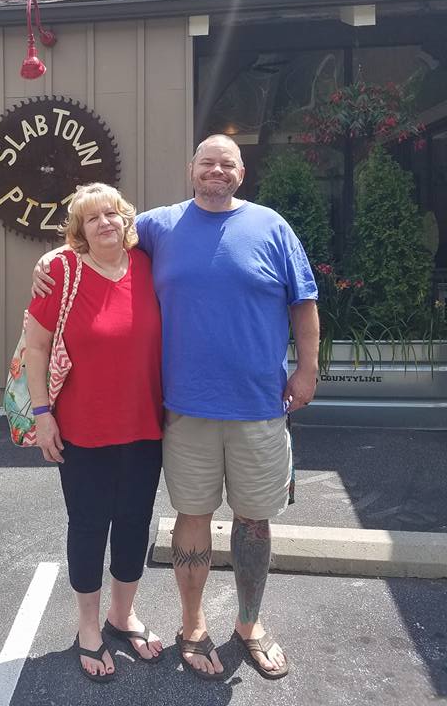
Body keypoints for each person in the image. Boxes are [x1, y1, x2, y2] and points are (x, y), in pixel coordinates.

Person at [33, 135, 319, 681]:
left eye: (227, 163)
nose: (216, 171)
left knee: (254, 521)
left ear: (241, 172)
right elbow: (99, 233)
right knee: (192, 517)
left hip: (260, 406)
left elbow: (303, 302)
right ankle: (192, 626)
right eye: (207, 162)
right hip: (185, 411)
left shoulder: (272, 227)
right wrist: (53, 254)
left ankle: (249, 624)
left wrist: (307, 370)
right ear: (192, 169)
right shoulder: (161, 226)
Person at [25, 182, 164, 683]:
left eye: (112, 213)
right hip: (81, 430)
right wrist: (42, 414)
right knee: (88, 526)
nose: (105, 222)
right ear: (79, 230)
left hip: (145, 426)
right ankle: (88, 626)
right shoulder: (62, 271)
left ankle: (122, 615)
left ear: (126, 219)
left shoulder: (147, 264)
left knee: (134, 522)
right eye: (92, 217)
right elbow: (36, 348)